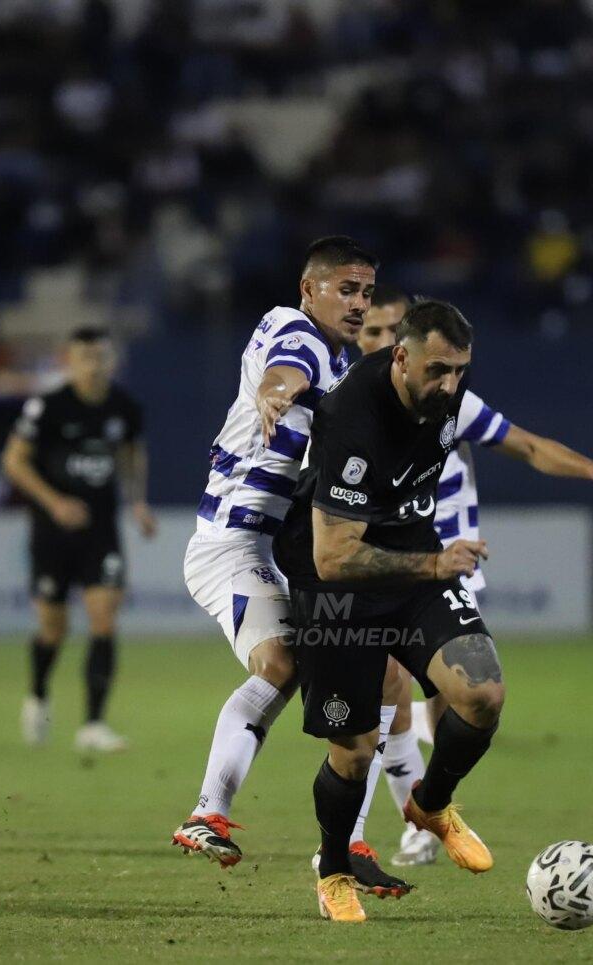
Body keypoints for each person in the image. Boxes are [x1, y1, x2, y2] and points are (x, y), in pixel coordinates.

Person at [350, 288, 593, 869]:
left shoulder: (447, 398)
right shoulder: (351, 406)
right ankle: (366, 836)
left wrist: (592, 469)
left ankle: (428, 810)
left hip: (447, 567)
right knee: (387, 690)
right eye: (374, 331)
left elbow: (528, 446)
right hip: (383, 568)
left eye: (394, 329)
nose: (384, 341)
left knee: (455, 702)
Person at [171, 237, 412, 898]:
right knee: (282, 664)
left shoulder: (340, 369)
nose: (359, 303)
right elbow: (285, 371)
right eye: (348, 289)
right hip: (230, 548)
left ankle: (348, 842)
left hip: (274, 557)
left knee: (382, 677)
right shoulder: (295, 331)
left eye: (367, 291)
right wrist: (278, 393)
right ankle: (205, 813)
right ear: (311, 289)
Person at [1, 326, 156, 753]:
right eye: (85, 357)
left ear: (112, 360)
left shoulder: (124, 407)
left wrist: (138, 502)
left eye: (101, 356)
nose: (94, 365)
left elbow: (130, 454)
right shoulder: (48, 407)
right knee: (54, 627)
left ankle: (93, 724)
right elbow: (13, 461)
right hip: (52, 533)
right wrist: (54, 503)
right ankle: (37, 693)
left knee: (104, 619)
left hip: (101, 531)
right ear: (68, 360)